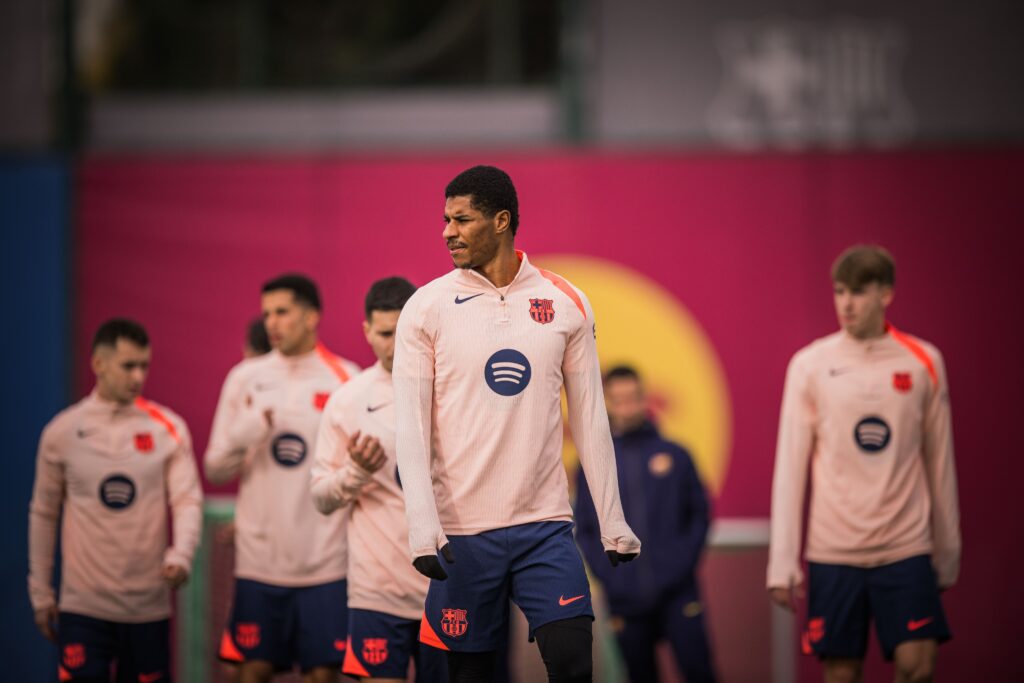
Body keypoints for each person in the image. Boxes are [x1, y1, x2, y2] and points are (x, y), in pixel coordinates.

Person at [393, 165, 641, 683]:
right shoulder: (425, 308)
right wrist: (421, 525)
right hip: (462, 536)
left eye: (462, 220)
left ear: (501, 221)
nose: (448, 232)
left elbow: (591, 417)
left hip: (544, 528)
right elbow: (410, 426)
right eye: (445, 220)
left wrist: (612, 519)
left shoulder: (567, 301)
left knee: (573, 664)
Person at [767, 245, 961, 683]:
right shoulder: (810, 365)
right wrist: (782, 563)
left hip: (906, 546)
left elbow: (941, 462)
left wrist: (948, 551)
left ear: (885, 293)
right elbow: (790, 468)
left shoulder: (924, 361)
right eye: (839, 292)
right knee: (841, 674)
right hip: (834, 550)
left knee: (918, 668)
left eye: (858, 291)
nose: (847, 304)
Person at [28, 318, 203, 683]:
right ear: (99, 364)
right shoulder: (61, 433)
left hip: (147, 608)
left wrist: (182, 554)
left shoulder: (168, 429)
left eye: (144, 365)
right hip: (83, 607)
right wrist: (41, 592)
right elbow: (44, 514)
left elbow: (187, 500)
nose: (138, 376)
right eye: (128, 366)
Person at [206, 274, 360, 683]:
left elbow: (360, 474)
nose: (272, 322)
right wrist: (247, 431)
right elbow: (215, 468)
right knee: (252, 672)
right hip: (258, 564)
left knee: (322, 676)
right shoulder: (245, 378)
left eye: (282, 312)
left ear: (311, 317)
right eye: (267, 314)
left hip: (325, 563)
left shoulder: (346, 379)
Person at [311, 276, 448, 683]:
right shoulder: (348, 401)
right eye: (386, 334)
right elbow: (320, 497)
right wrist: (356, 472)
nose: (397, 343)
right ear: (367, 331)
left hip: (448, 588)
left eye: (404, 331)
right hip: (377, 593)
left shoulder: (453, 390)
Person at [576, 365, 716, 683]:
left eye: (633, 397)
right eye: (619, 399)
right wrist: (610, 576)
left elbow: (699, 514)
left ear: (644, 398)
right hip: (625, 598)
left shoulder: (676, 455)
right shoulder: (593, 463)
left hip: (679, 593)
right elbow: (585, 527)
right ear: (607, 403)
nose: (627, 406)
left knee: (700, 672)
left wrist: (680, 565)